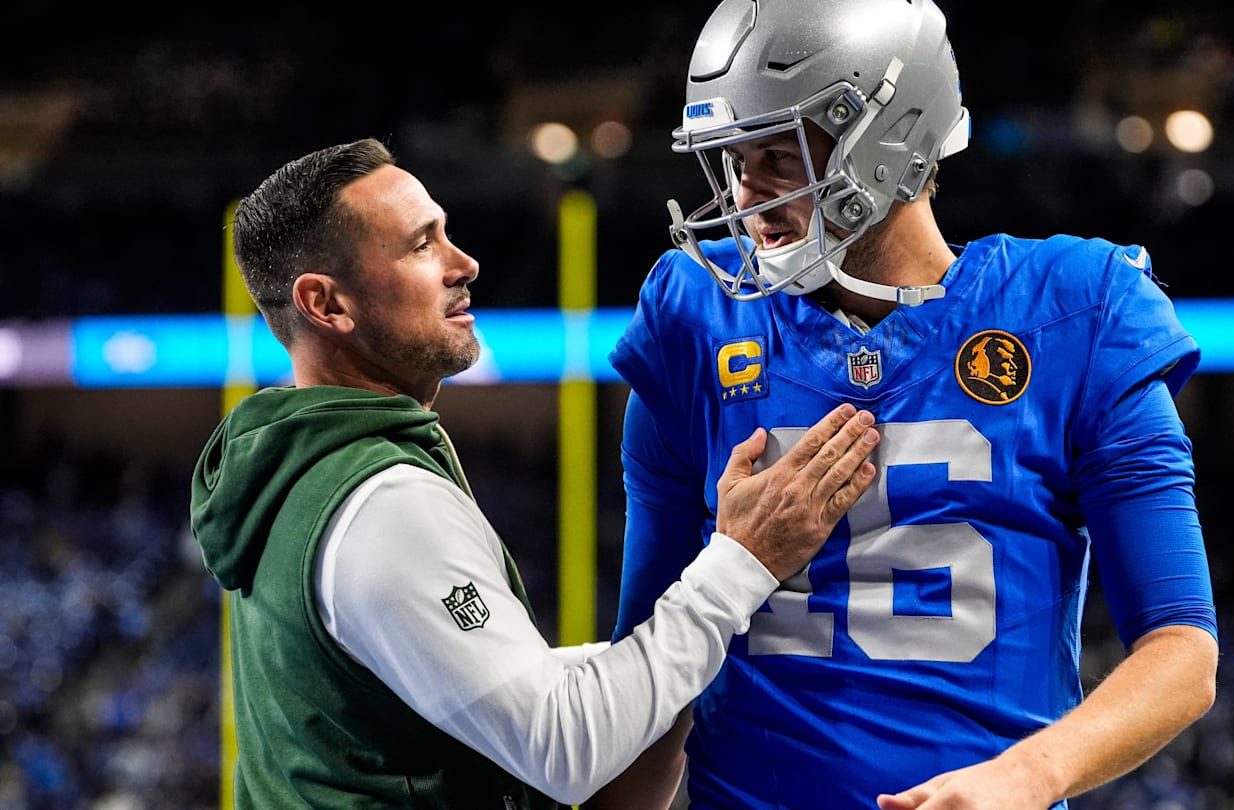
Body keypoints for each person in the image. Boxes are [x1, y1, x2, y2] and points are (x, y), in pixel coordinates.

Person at [586, 0, 1220, 808]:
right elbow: (656, 669)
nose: (747, 198)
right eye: (733, 162)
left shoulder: (1078, 311)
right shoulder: (693, 321)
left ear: (885, 141)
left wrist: (1029, 774)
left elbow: (1182, 652)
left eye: (778, 156)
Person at [188, 137, 883, 809]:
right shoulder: (381, 503)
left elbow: (518, 689)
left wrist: (682, 649)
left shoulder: (311, 475)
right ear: (327, 304)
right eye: (420, 244)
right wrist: (741, 562)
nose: (464, 263)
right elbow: (565, 746)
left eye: (446, 233)